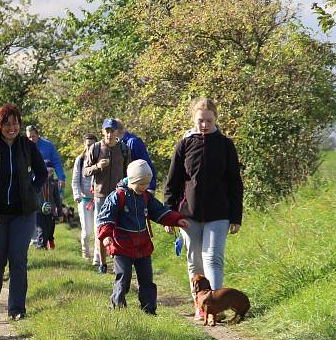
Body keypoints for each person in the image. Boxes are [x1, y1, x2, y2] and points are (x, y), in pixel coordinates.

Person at [163, 97, 244, 320]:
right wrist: (168, 215)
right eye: (200, 120)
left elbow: (235, 182)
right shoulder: (185, 144)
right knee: (195, 261)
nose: (205, 125)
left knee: (213, 258)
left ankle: (214, 309)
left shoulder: (226, 145)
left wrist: (236, 216)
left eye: (209, 120)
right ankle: (200, 307)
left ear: (216, 119)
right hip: (189, 214)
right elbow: (173, 182)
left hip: (219, 213)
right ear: (193, 119)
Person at [0, 104, 47, 320]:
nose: (12, 128)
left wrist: (31, 190)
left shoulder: (27, 146)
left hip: (23, 214)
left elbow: (42, 173)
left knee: (18, 259)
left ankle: (17, 309)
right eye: (7, 124)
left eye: (15, 123)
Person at [97, 160, 188, 314]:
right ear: (131, 180)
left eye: (146, 184)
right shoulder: (118, 196)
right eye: (140, 183)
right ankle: (118, 308)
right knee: (123, 278)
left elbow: (158, 211)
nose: (144, 187)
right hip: (122, 245)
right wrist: (106, 235)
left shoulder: (145, 197)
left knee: (146, 280)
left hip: (143, 245)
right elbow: (106, 216)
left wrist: (176, 219)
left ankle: (149, 309)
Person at [82, 118, 131, 274]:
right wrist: (97, 166)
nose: (109, 134)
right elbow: (85, 171)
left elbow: (129, 173)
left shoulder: (124, 149)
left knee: (119, 228)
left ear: (117, 132)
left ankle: (118, 259)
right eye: (107, 131)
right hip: (100, 195)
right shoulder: (95, 148)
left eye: (112, 131)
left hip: (118, 195)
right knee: (101, 229)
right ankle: (102, 264)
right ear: (102, 132)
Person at [71, 133, 98, 264]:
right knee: (87, 232)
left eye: (92, 145)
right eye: (88, 145)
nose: (90, 147)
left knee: (99, 231)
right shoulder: (80, 160)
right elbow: (75, 180)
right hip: (84, 199)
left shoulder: (100, 160)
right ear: (84, 145)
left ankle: (97, 259)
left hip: (99, 199)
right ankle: (86, 255)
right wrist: (77, 195)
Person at [36, 160, 62, 250]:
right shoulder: (37, 181)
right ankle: (41, 248)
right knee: (42, 231)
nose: (49, 173)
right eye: (47, 171)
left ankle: (49, 242)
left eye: (51, 171)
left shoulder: (53, 183)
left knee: (49, 231)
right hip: (38, 211)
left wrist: (60, 213)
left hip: (50, 211)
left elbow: (57, 199)